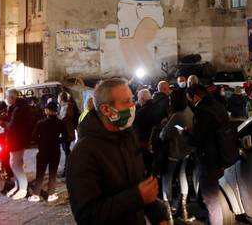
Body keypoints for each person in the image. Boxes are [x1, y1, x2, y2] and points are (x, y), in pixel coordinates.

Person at [67, 78, 169, 225]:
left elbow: (139, 183)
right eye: (126, 102)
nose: (133, 106)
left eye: (132, 100)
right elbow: (87, 216)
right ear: (106, 110)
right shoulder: (83, 153)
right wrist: (137, 197)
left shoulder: (128, 136)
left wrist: (157, 216)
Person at [186, 84, 229, 225]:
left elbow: (197, 139)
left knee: (211, 199)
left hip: (208, 158)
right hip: (221, 155)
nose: (190, 102)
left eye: (190, 98)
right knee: (213, 196)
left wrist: (187, 133)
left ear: (196, 96)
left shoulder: (202, 111)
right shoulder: (218, 105)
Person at [159, 89, 194, 222]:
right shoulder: (189, 112)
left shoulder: (177, 116)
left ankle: (168, 214)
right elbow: (182, 128)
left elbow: (164, 135)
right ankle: (184, 211)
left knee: (166, 178)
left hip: (175, 152)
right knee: (183, 176)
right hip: (187, 152)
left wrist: (164, 127)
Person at [29, 101, 65, 203]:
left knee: (40, 173)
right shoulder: (60, 123)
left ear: (47, 111)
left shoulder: (41, 123)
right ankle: (51, 194)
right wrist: (57, 140)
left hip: (43, 151)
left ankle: (36, 194)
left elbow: (33, 138)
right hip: (55, 151)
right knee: (53, 173)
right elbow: (66, 137)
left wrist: (41, 141)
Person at [5, 88, 31, 200]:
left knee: (15, 164)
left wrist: (3, 123)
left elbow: (12, 125)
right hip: (17, 139)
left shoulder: (18, 109)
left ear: (12, 98)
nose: (6, 99)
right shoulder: (16, 108)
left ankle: (23, 188)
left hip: (17, 140)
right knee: (15, 162)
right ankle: (18, 186)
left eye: (7, 97)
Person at [59, 91, 80, 178]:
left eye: (58, 98)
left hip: (67, 131)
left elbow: (66, 117)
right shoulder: (63, 106)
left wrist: (58, 121)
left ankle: (68, 169)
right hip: (64, 131)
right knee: (66, 149)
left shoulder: (68, 106)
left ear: (60, 98)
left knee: (66, 150)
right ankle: (70, 167)